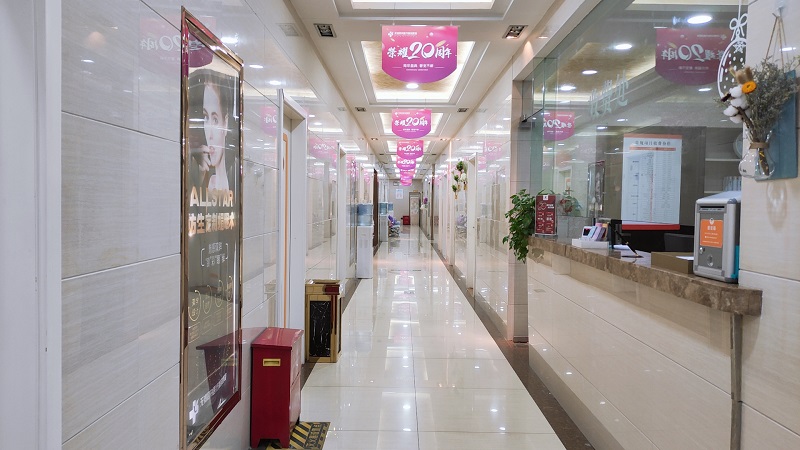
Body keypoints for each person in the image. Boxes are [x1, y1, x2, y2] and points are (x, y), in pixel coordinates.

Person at [188, 69, 237, 192]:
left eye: (215, 120)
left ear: (225, 123)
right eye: (206, 117)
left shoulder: (236, 178)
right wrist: (198, 176)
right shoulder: (202, 177)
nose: (209, 135)